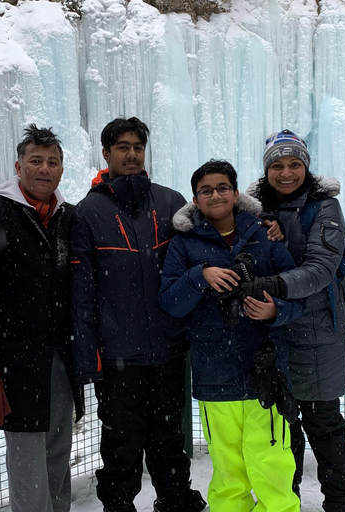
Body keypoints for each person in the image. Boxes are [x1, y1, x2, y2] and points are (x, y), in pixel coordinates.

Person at [70, 117, 206, 512]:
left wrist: (266, 227)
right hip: (118, 356)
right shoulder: (88, 212)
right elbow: (81, 293)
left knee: (168, 436)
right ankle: (118, 504)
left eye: (138, 147)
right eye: (122, 147)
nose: (131, 154)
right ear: (106, 154)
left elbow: (207, 246)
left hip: (167, 348)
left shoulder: (169, 202)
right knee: (120, 441)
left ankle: (175, 499)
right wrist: (89, 357)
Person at [158, 159, 304, 512]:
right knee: (227, 468)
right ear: (196, 199)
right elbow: (171, 304)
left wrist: (275, 312)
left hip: (265, 372)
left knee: (272, 463)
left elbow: (297, 296)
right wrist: (199, 276)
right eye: (206, 190)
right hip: (215, 374)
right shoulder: (184, 245)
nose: (216, 195)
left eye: (223, 187)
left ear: (236, 193)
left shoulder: (264, 237)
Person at [0, 124, 84, 512]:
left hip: (61, 355)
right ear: (18, 165)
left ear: (61, 170)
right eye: (36, 161)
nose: (45, 169)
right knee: (27, 456)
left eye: (53, 162)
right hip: (14, 359)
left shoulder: (68, 217)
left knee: (59, 447)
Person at [247, 129, 345, 512]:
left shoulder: (324, 207)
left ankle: (341, 503)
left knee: (323, 424)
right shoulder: (252, 208)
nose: (286, 173)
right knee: (283, 429)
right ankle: (287, 500)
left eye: (295, 164)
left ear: (306, 166)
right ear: (266, 170)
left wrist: (275, 283)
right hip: (272, 331)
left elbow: (321, 268)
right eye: (277, 165)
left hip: (316, 333)